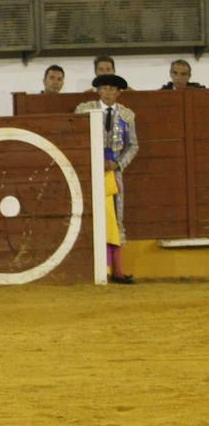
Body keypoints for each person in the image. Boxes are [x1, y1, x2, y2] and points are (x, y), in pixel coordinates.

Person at [75, 74, 137, 283]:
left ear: (119, 92)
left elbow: (133, 145)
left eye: (113, 89)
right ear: (98, 91)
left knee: (115, 220)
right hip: (88, 173)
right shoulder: (84, 110)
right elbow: (76, 139)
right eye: (105, 88)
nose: (109, 92)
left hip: (113, 174)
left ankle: (117, 272)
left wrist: (117, 164)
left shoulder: (127, 115)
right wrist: (92, 161)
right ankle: (91, 270)